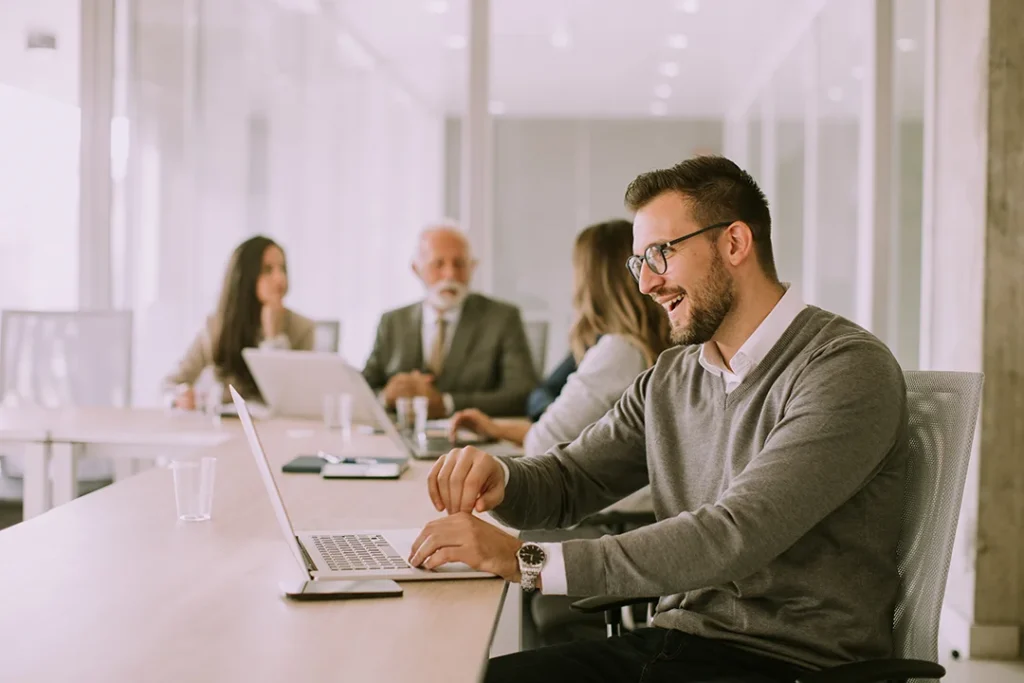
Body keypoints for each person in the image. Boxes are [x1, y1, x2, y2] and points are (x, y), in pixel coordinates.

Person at [406, 156, 909, 683]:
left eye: (661, 254)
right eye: (639, 262)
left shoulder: (845, 369)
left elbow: (732, 536)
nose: (647, 283)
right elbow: (573, 478)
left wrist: (526, 561)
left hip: (790, 663)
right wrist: (501, 478)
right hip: (681, 644)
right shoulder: (675, 375)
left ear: (735, 244)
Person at [447, 219, 671, 457]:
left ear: (590, 280)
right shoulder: (650, 347)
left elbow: (543, 443)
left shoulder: (619, 351)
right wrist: (496, 428)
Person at [362, 223, 538, 419]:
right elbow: (362, 389)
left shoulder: (503, 318)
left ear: (473, 267)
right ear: (416, 269)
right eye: (438, 264)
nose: (450, 274)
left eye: (459, 264)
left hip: (473, 442)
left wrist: (446, 403)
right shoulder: (392, 322)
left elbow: (522, 394)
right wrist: (386, 396)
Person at [162, 235, 315, 408]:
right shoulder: (216, 327)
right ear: (246, 276)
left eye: (283, 269)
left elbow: (290, 401)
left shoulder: (303, 329)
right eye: (267, 270)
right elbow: (171, 384)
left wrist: (274, 337)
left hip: (276, 430)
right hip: (227, 427)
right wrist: (178, 397)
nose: (280, 278)